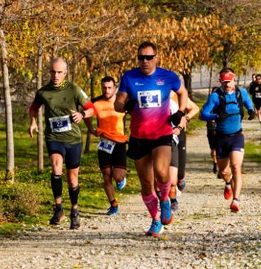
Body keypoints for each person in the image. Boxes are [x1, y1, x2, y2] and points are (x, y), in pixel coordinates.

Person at [115, 41, 190, 237]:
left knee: (161, 173)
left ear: (156, 58)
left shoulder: (167, 76)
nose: (145, 61)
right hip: (139, 137)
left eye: (149, 57)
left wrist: (180, 112)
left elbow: (183, 92)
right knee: (146, 184)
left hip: (162, 134)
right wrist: (125, 104)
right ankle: (156, 220)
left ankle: (165, 198)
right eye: (141, 57)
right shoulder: (129, 77)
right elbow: (118, 103)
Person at [28, 57, 92, 230]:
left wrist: (82, 115)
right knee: (56, 168)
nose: (55, 76)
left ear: (65, 73)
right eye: (53, 72)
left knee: (72, 179)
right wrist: (33, 121)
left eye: (59, 73)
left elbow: (91, 108)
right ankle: (58, 209)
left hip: (73, 139)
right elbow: (34, 107)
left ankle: (74, 211)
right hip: (54, 137)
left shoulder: (74, 89)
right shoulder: (43, 92)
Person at [200, 68, 255, 212]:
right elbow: (203, 114)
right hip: (221, 138)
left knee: (236, 166)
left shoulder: (241, 93)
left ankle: (235, 200)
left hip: (237, 136)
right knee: (224, 171)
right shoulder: (215, 96)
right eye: (224, 82)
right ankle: (228, 183)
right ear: (220, 82)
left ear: (234, 79)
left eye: (229, 82)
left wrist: (251, 111)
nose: (227, 85)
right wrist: (216, 116)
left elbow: (249, 102)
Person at [85, 76, 128, 216]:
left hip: (120, 142)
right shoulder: (96, 103)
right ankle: (113, 204)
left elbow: (135, 112)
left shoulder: (121, 102)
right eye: (104, 87)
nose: (106, 90)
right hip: (104, 143)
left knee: (117, 176)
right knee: (106, 175)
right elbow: (85, 113)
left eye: (109, 87)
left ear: (115, 88)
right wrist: (91, 129)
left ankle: (121, 179)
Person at [167, 91, 198, 211]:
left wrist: (186, 117)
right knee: (168, 172)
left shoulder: (177, 96)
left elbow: (195, 108)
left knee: (179, 172)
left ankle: (181, 179)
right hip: (165, 135)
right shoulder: (156, 96)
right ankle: (172, 199)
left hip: (180, 135)